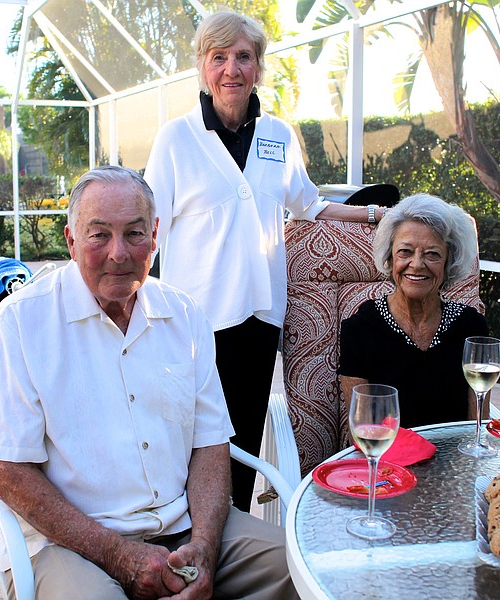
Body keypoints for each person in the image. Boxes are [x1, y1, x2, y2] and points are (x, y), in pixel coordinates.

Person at [0, 166, 298, 600]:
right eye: (99, 235)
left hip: (187, 526)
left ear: (155, 236)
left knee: (303, 568)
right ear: (71, 241)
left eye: (134, 234)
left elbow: (210, 444)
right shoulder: (22, 322)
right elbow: (8, 473)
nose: (119, 253)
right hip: (68, 542)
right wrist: (119, 555)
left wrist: (206, 549)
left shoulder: (185, 314)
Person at [144, 10, 391, 511]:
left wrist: (374, 213)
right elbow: (150, 229)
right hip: (195, 320)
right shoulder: (176, 139)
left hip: (259, 318)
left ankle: (229, 543)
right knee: (189, 444)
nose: (231, 69)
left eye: (243, 57)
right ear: (202, 67)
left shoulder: (279, 135)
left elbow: (310, 204)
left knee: (241, 445)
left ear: (258, 66)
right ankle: (186, 536)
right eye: (219, 58)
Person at [338, 193, 489, 427]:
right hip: (388, 459)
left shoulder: (471, 327)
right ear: (389, 258)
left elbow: (478, 425)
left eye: (432, 254)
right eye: (405, 252)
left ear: (450, 262)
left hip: (455, 460)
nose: (417, 264)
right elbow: (362, 432)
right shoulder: (360, 329)